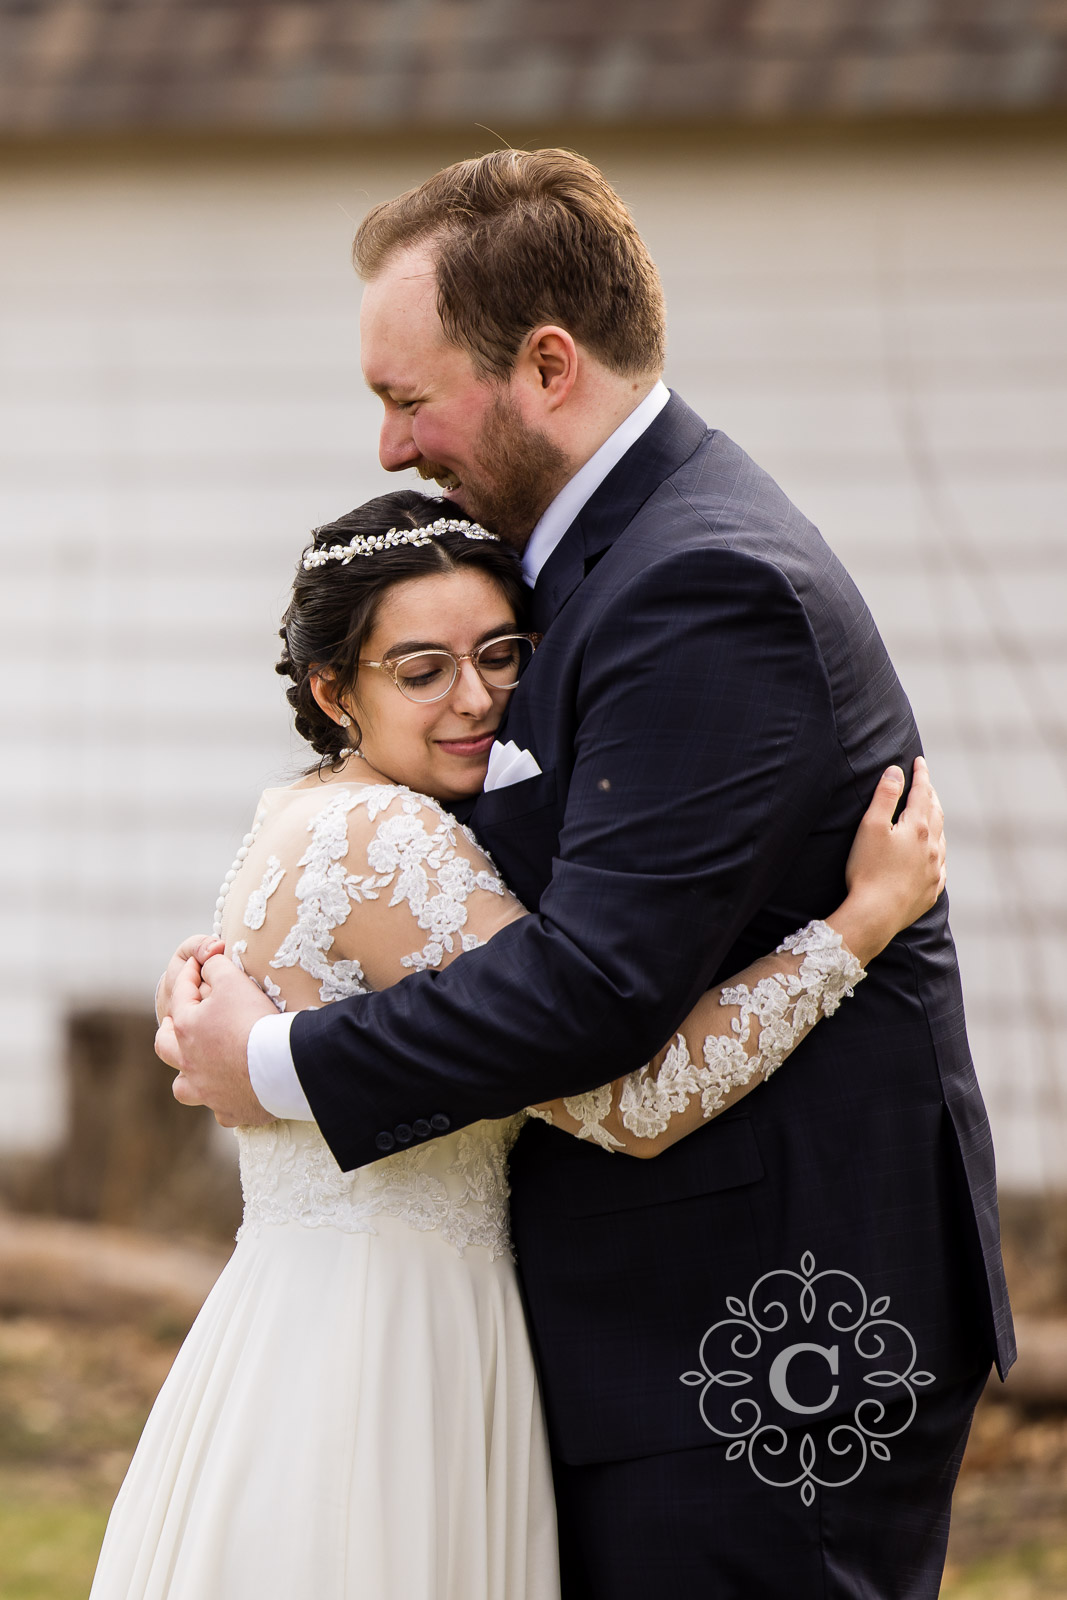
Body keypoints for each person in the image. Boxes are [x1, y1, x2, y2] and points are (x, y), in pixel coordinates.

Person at [157, 151, 1013, 1598]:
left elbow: (595, 990)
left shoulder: (700, 585)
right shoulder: (578, 568)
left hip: (761, 1318)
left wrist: (282, 1057)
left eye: (404, 396)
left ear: (544, 364)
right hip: (627, 1324)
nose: (386, 448)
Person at [102, 493, 946, 1600]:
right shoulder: (386, 838)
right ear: (332, 691)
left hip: (304, 1321)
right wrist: (857, 926)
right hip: (388, 1349)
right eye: (421, 671)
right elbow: (629, 1102)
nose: (476, 699)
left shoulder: (301, 812)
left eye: (500, 654)